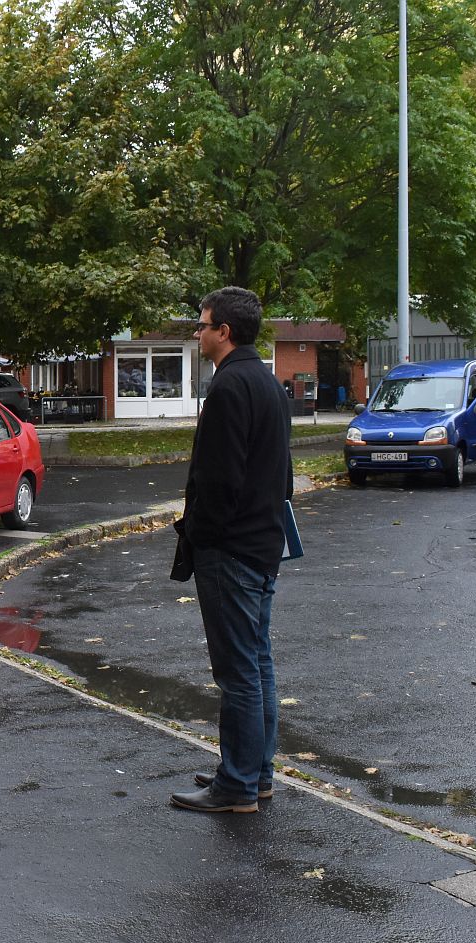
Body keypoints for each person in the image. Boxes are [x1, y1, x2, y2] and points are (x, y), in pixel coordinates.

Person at [169, 287, 292, 815]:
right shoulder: (266, 382)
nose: (196, 334)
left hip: (231, 549)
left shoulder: (227, 388)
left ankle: (236, 784)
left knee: (237, 671)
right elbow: (282, 473)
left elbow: (218, 482)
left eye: (201, 325)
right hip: (263, 542)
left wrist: (200, 532)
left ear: (224, 331)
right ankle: (255, 772)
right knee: (257, 664)